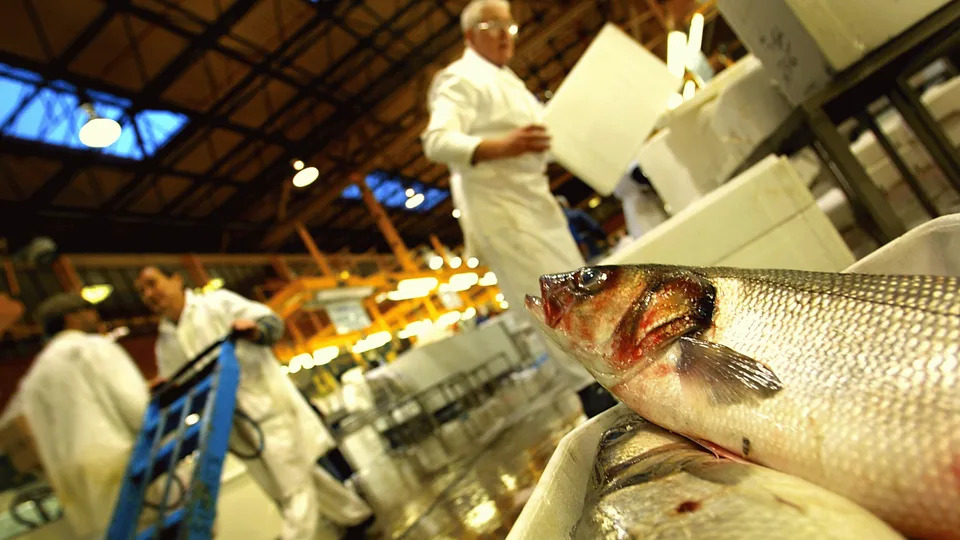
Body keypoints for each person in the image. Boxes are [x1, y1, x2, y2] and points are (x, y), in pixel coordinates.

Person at [421, 0, 602, 401]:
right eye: (492, 26)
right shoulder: (460, 79)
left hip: (535, 204)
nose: (505, 35)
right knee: (556, 308)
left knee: (578, 299)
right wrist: (500, 146)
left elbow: (549, 140)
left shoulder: (510, 82)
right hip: (502, 211)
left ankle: (607, 380)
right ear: (470, 36)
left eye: (510, 27)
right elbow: (435, 141)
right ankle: (594, 396)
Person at [134, 267, 372, 540]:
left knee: (292, 486)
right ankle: (356, 515)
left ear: (176, 279)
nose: (149, 294)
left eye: (153, 284)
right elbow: (183, 390)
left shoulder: (216, 304)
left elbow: (272, 324)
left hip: (268, 410)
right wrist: (167, 389)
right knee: (285, 482)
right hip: (231, 428)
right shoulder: (164, 342)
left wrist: (256, 331)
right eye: (142, 291)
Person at [19, 293, 148, 539]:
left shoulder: (33, 378)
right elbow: (137, 408)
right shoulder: (93, 347)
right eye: (90, 311)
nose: (96, 317)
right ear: (72, 318)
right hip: (117, 464)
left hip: (73, 485)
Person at [556, 195, 608, 259]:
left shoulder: (555, 224)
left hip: (573, 257)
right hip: (591, 249)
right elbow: (594, 227)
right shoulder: (577, 213)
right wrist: (604, 238)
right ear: (565, 203)